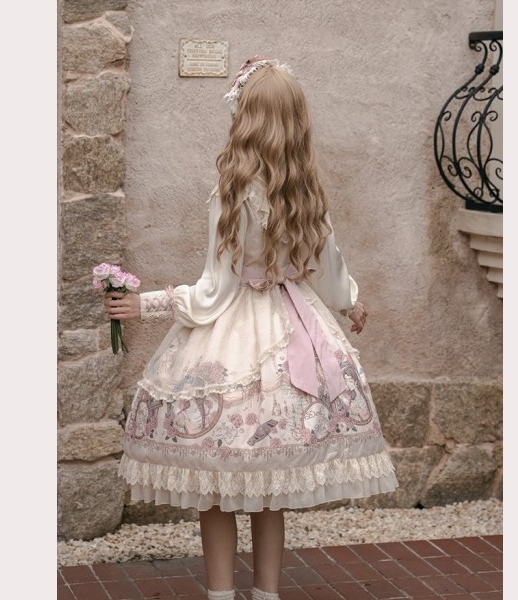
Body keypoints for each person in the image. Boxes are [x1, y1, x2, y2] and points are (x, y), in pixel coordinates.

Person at [105, 56, 398, 600]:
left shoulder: (234, 191)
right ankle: (266, 594)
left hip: (235, 336)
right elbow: (327, 267)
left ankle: (220, 594)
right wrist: (350, 304)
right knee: (270, 487)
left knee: (217, 486)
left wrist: (147, 305)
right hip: (294, 327)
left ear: (247, 119)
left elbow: (214, 290)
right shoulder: (305, 191)